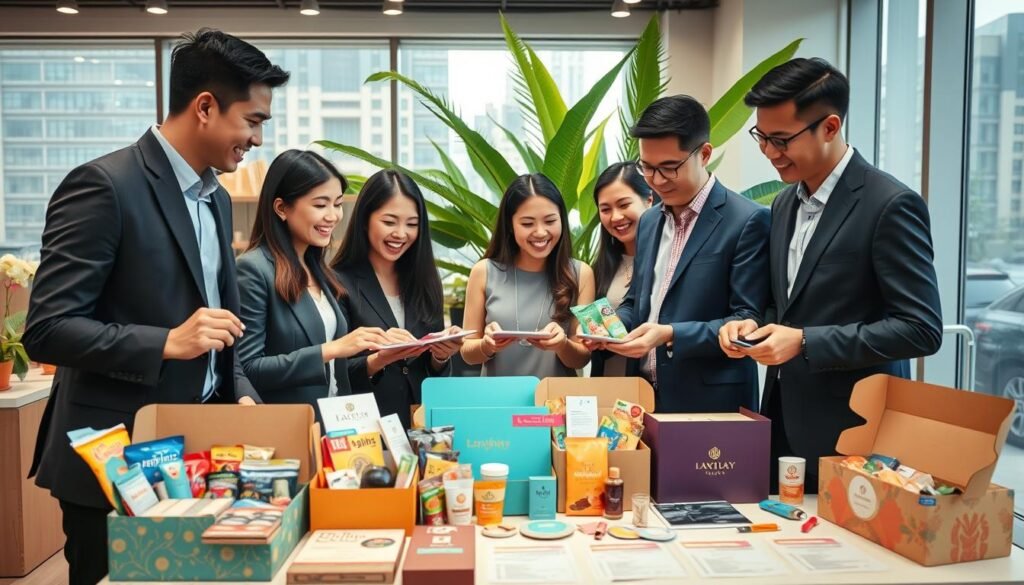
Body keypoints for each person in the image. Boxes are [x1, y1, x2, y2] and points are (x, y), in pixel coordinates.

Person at [22, 29, 289, 584]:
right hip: (115, 461)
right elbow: (47, 328)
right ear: (206, 107)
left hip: (196, 462)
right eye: (254, 121)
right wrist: (164, 341)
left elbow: (221, 325)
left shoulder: (215, 197)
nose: (258, 139)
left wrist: (239, 390)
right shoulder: (104, 185)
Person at [718, 57, 942, 493]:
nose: (769, 152)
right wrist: (753, 326)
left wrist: (804, 341)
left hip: (858, 432)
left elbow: (921, 329)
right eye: (762, 138)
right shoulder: (784, 203)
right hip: (785, 422)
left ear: (831, 126)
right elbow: (789, 304)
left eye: (781, 139)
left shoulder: (890, 205)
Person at [588, 95, 770, 413]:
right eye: (647, 168)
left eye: (669, 168)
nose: (656, 181)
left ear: (705, 154)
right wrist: (607, 326)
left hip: (711, 402)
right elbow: (637, 302)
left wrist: (670, 334)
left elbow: (747, 320)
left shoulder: (746, 219)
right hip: (642, 398)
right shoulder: (649, 222)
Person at [236, 150, 393, 421]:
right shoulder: (253, 269)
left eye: (338, 204)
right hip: (288, 428)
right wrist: (331, 349)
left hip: (336, 426)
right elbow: (248, 369)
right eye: (321, 205)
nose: (333, 216)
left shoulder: (319, 269)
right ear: (281, 208)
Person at [332, 170, 462, 429]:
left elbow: (431, 372)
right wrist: (380, 358)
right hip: (365, 428)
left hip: (420, 427)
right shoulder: (337, 282)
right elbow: (335, 372)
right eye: (390, 222)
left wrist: (441, 356)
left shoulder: (425, 280)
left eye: (412, 224)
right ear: (365, 220)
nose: (401, 234)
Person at [461, 173, 594, 377]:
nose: (540, 232)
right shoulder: (484, 272)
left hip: (555, 403)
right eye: (527, 223)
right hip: (498, 402)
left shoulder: (581, 274)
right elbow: (467, 353)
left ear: (562, 221)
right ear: (511, 226)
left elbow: (582, 357)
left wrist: (562, 345)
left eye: (550, 221)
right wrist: (486, 346)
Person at [589, 162, 652, 377]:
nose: (615, 217)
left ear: (649, 201)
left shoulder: (667, 262)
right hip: (606, 388)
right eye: (606, 209)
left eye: (624, 204)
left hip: (652, 389)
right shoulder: (597, 270)